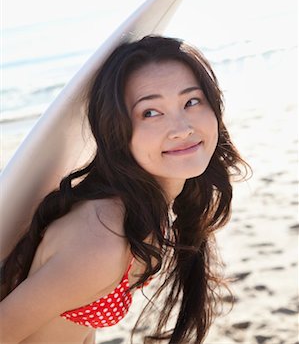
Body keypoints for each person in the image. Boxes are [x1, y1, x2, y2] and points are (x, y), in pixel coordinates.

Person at [0, 35, 249, 344]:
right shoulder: (102, 238)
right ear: (116, 131)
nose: (183, 128)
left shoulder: (140, 208)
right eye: (150, 112)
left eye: (191, 101)